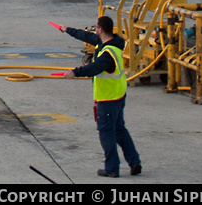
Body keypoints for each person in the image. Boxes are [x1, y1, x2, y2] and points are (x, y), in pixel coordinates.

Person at [52, 16, 142, 177]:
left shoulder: (107, 53)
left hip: (108, 98)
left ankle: (112, 168)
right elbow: (86, 36)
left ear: (100, 29)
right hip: (119, 95)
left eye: (96, 27)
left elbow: (94, 67)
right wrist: (67, 30)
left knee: (106, 132)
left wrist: (75, 72)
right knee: (120, 129)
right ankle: (134, 162)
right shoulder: (110, 43)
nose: (94, 30)